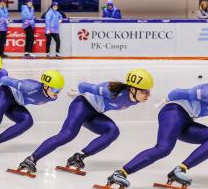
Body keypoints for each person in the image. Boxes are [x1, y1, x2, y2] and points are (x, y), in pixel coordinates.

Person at [106, 71, 208, 189]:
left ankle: (179, 170)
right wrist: (165, 102)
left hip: (186, 120)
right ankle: (120, 173)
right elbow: (176, 92)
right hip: (173, 112)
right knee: (163, 149)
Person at [13, 68, 154, 175]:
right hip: (82, 106)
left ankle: (78, 157)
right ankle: (31, 159)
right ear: (132, 89)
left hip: (94, 113)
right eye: (144, 92)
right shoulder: (110, 91)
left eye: (148, 91)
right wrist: (78, 93)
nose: (148, 95)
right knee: (67, 135)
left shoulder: (136, 99)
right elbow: (83, 85)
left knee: (113, 131)